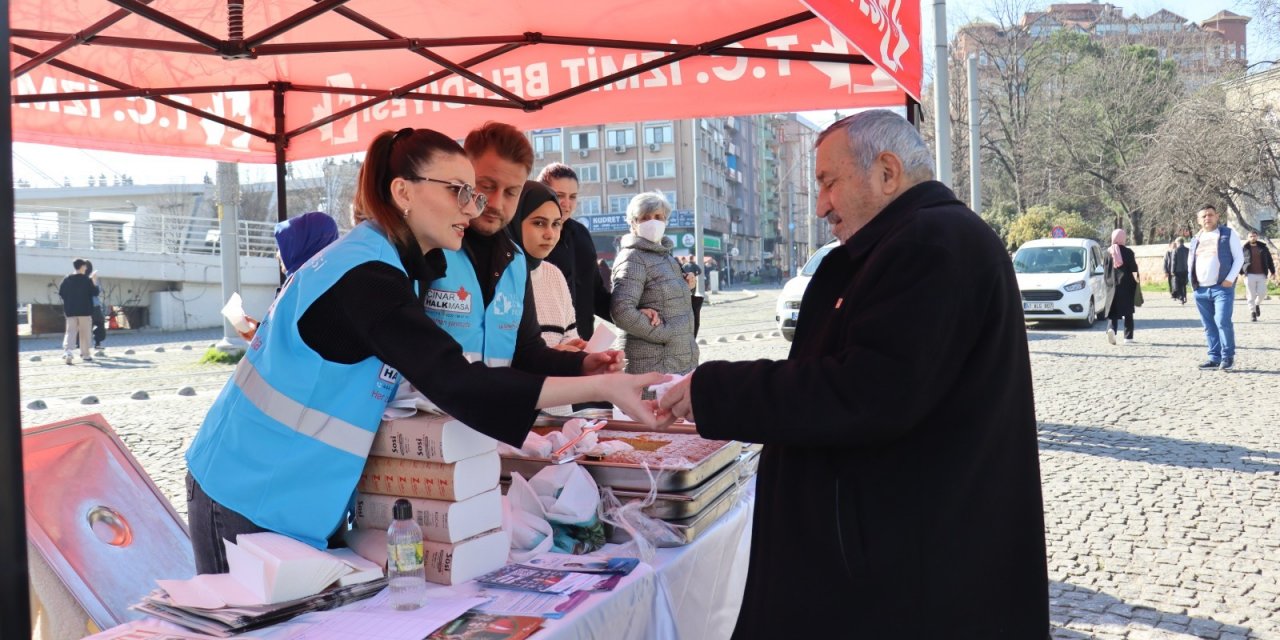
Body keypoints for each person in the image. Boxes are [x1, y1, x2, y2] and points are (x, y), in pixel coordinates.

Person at [184, 127, 664, 574]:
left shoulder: (390, 262)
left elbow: (494, 362)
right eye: (460, 190)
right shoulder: (368, 277)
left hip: (305, 491)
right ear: (403, 192)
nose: (474, 207)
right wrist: (601, 385)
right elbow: (456, 379)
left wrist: (586, 372)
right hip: (248, 490)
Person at [657, 110, 1048, 638]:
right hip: (896, 557)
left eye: (828, 182)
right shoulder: (911, 240)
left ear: (887, 173)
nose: (821, 206)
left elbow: (863, 393)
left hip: (904, 577)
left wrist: (714, 389)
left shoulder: (929, 245)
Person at [611, 192, 699, 375]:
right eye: (645, 218)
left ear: (666, 220)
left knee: (676, 404)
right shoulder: (633, 258)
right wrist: (667, 334)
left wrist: (688, 287)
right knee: (649, 404)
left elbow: (666, 299)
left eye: (658, 217)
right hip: (652, 367)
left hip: (678, 363)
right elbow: (621, 310)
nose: (653, 222)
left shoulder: (664, 255)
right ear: (633, 223)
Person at [539, 163, 613, 340]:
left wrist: (636, 313)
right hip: (546, 345)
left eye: (572, 197)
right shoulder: (529, 235)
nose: (566, 203)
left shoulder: (581, 234)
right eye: (559, 196)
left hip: (584, 343)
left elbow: (596, 294)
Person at [508, 180, 581, 349]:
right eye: (539, 223)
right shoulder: (497, 274)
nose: (550, 234)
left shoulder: (553, 274)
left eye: (556, 224)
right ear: (514, 221)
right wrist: (553, 356)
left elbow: (569, 334)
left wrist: (577, 350)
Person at [1188, 205, 1244, 370]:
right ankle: (1214, 357)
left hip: (1222, 288)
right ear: (1199, 220)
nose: (1207, 218)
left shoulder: (1228, 234)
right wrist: (1193, 284)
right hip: (1201, 290)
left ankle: (1227, 357)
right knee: (1208, 325)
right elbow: (1191, 261)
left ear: (1217, 216)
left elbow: (1239, 258)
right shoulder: (1195, 239)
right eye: (1204, 216)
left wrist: (1229, 279)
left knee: (1222, 321)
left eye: (1210, 215)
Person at [274, 210, 340, 277]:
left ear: (300, 248)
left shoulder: (302, 285)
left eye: (284, 247)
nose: (277, 255)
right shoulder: (334, 278)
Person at [58, 258, 98, 365]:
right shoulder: (87, 280)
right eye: (85, 266)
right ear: (81, 267)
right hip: (85, 311)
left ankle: (68, 352)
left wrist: (70, 301)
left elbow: (61, 293)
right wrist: (94, 280)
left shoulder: (67, 279)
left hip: (70, 310)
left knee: (70, 331)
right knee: (85, 333)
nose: (86, 268)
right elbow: (95, 293)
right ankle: (85, 355)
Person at [1104, 229, 1139, 345]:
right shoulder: (1128, 252)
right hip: (1126, 286)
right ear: (1123, 238)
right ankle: (1128, 338)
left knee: (1113, 311)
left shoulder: (1107, 252)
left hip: (1111, 286)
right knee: (1128, 312)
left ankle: (1111, 329)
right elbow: (1134, 269)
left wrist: (1107, 284)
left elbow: (1105, 271)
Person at [1241, 231, 1275, 321]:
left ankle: (1257, 304)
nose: (1253, 238)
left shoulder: (1263, 247)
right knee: (1251, 295)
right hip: (1249, 274)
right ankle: (1253, 313)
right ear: (1248, 237)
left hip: (1262, 274)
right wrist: (1241, 273)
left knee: (1262, 293)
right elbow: (1239, 260)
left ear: (1257, 237)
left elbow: (1269, 260)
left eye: (1254, 236)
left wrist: (1273, 271)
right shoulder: (1244, 248)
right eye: (1251, 236)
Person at [1164, 238, 1189, 304]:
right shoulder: (1187, 250)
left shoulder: (1175, 250)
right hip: (1186, 270)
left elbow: (1173, 262)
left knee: (1179, 285)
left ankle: (1181, 298)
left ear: (1178, 242)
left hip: (1178, 271)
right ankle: (1184, 296)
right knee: (1184, 285)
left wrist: (1172, 271)